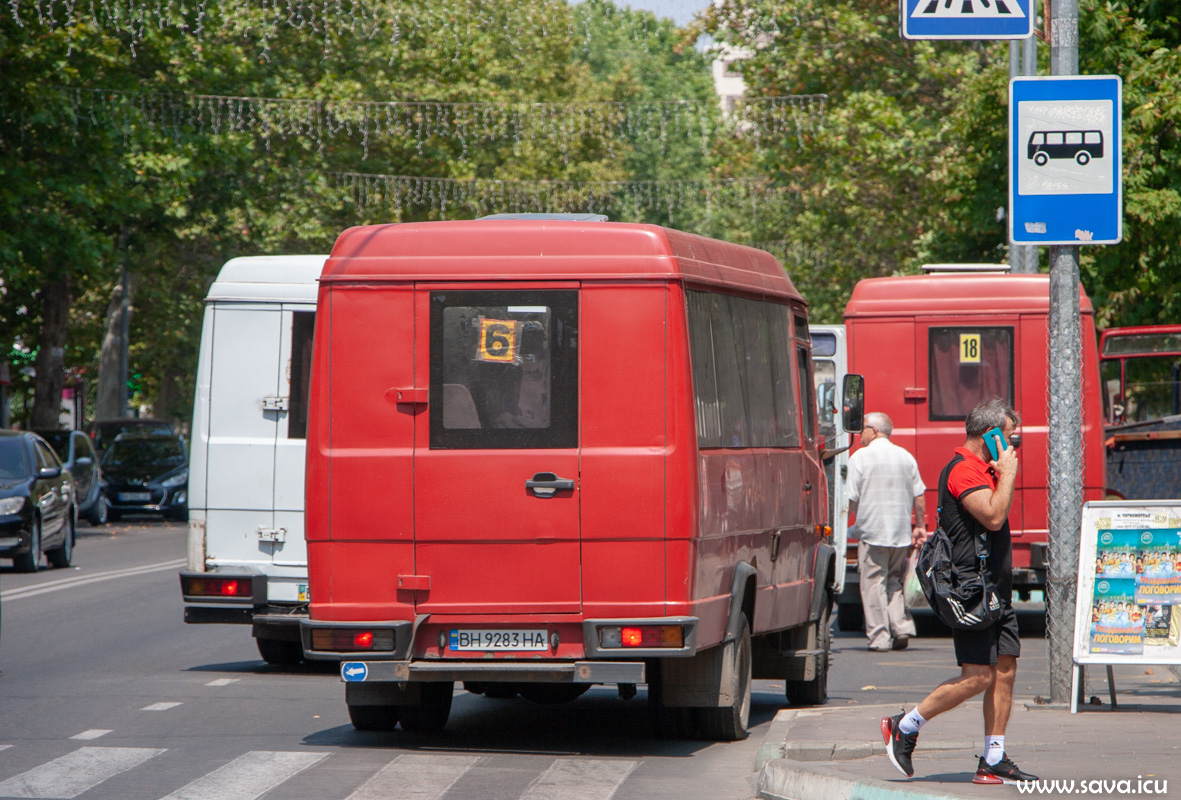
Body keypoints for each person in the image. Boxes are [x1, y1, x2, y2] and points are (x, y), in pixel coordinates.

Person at [880, 397, 1037, 785]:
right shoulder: (964, 471)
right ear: (992, 436)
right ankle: (905, 724)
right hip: (971, 590)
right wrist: (1009, 472)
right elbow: (994, 514)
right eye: (1010, 437)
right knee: (978, 676)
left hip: (995, 588)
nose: (1014, 446)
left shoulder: (984, 468)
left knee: (1005, 668)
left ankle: (993, 758)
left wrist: (1000, 471)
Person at [846, 412, 926, 652]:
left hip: (872, 533)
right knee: (893, 581)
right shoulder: (906, 457)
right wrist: (919, 526)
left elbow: (850, 498)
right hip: (900, 534)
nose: (860, 434)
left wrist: (841, 529)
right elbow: (919, 495)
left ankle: (880, 637)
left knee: (873, 584)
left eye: (863, 429)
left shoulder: (860, 457)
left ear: (875, 430)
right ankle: (901, 628)